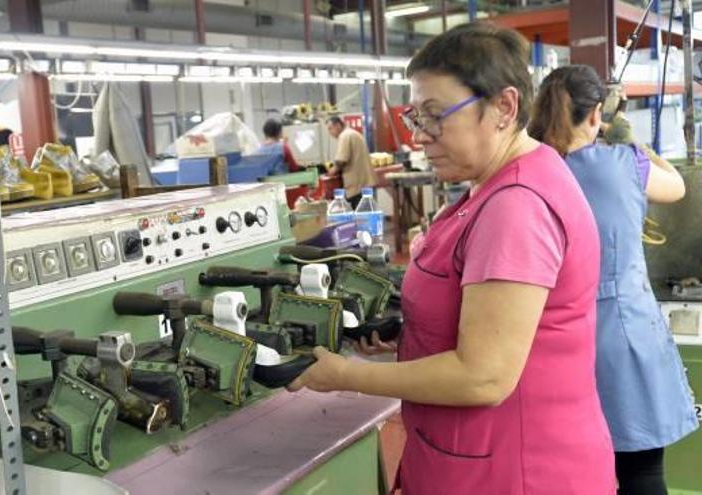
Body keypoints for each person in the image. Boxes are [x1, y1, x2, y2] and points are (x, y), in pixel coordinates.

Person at [288, 22, 615, 494]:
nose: (419, 136)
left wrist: (347, 375)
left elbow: (484, 376)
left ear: (504, 107)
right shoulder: (494, 184)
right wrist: (413, 330)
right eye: (415, 117)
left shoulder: (516, 206)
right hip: (482, 457)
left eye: (435, 115)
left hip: (516, 472)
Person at [529, 65, 698, 495]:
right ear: (595, 114)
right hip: (623, 338)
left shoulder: (529, 169)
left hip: (550, 340)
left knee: (572, 473)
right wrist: (629, 138)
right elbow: (676, 186)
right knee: (640, 471)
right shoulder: (623, 162)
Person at [325, 115, 377, 208]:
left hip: (357, 187)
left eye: (330, 128)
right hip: (364, 183)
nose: (329, 133)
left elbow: (341, 161)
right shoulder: (353, 133)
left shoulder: (345, 136)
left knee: (359, 217)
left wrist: (330, 172)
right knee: (366, 215)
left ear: (338, 125)